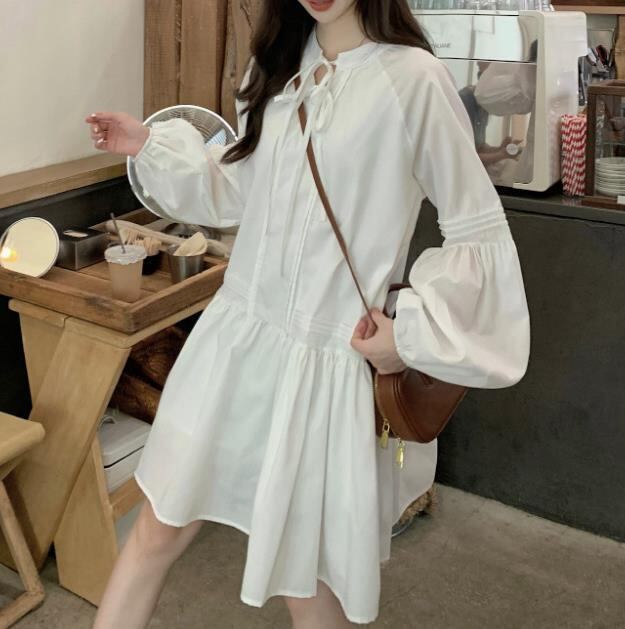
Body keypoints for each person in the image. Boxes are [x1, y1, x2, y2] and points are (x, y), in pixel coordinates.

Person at [86, 0, 530, 627]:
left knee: (306, 580)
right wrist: (147, 145)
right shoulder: (275, 66)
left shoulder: (413, 80)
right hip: (237, 340)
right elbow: (240, 189)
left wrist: (409, 334)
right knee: (157, 527)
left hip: (326, 362)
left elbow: (476, 230)